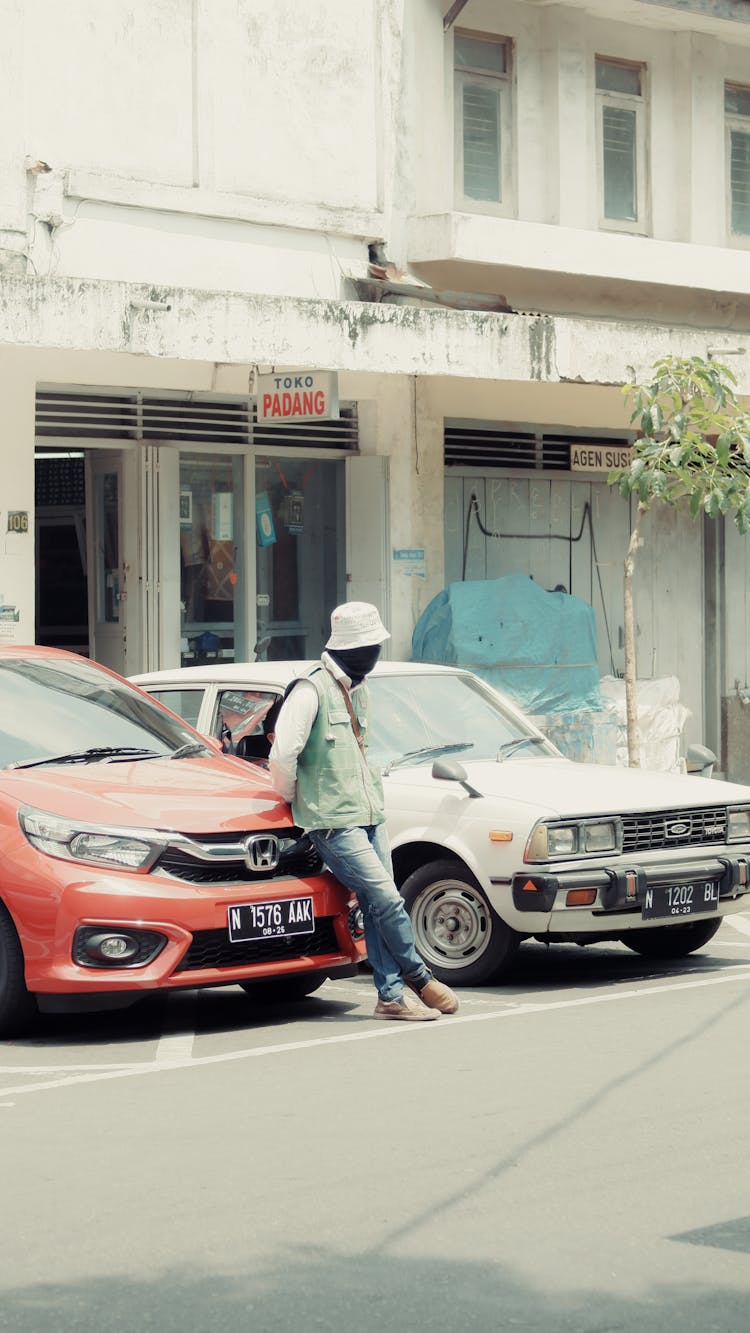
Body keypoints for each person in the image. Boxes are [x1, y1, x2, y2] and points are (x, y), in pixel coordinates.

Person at [269, 601, 459, 1022]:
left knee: (378, 904)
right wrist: (296, 800)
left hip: (370, 811)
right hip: (333, 822)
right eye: (371, 645)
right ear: (352, 648)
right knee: (389, 900)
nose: (375, 653)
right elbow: (283, 755)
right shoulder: (309, 690)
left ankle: (390, 998)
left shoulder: (360, 689)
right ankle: (420, 977)